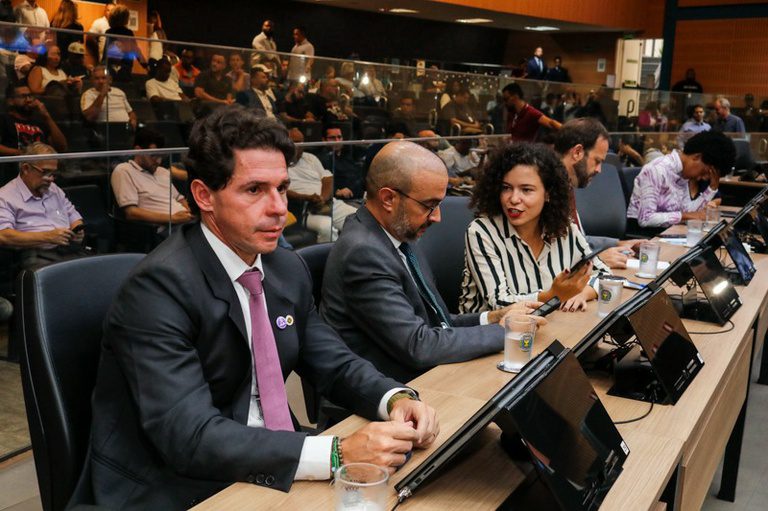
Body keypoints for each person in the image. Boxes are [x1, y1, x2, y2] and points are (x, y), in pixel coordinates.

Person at [82, 107, 439, 510]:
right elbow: (189, 436)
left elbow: (334, 362)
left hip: (268, 457)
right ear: (204, 196)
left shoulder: (284, 267)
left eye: (282, 188)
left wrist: (394, 399)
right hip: (175, 484)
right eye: (254, 190)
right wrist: (336, 452)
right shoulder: (157, 289)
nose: (279, 209)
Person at [320, 140, 544, 382]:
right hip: (393, 389)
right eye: (430, 205)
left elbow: (437, 321)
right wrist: (505, 332)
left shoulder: (398, 235)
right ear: (388, 198)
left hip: (424, 375)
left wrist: (494, 318)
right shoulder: (363, 253)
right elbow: (418, 345)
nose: (437, 217)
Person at [460, 142, 608, 315]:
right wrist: (553, 296)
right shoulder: (482, 231)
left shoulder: (564, 228)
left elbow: (605, 275)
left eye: (526, 190)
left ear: (548, 194)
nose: (513, 199)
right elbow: (498, 304)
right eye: (506, 188)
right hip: (493, 329)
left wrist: (583, 293)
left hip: (548, 323)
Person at [554, 118, 642, 268]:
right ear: (577, 152)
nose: (599, 170)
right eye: (597, 161)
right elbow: (545, 260)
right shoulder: (543, 192)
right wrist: (595, 262)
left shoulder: (565, 186)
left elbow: (577, 240)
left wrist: (618, 243)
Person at [627, 131, 736, 229]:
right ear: (697, 157)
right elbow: (646, 219)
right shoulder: (656, 170)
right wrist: (689, 216)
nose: (702, 178)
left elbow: (690, 211)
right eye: (704, 172)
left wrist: (712, 189)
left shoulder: (682, 173)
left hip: (668, 232)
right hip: (643, 235)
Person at [0, 142, 84, 267]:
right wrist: (47, 237)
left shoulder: (54, 189)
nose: (50, 179)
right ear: (26, 169)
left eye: (53, 174)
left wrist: (77, 230)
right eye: (45, 172)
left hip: (68, 249)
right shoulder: (5, 196)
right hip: (34, 254)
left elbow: (73, 216)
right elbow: (3, 236)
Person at [111, 127, 194, 228]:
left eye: (161, 156)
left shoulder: (162, 171)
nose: (158, 161)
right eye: (153, 156)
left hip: (184, 223)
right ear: (138, 151)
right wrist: (173, 218)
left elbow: (180, 199)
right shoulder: (124, 170)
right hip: (162, 228)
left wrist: (190, 214)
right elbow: (131, 213)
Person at [286, 128, 357, 242]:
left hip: (327, 203)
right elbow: (282, 190)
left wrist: (323, 198)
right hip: (305, 210)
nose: (299, 146)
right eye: (295, 142)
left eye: (301, 142)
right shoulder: (279, 162)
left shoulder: (310, 157)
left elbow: (327, 178)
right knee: (327, 227)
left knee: (358, 218)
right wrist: (308, 198)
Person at [0, 82, 67, 156]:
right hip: (16, 162)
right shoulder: (4, 120)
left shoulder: (39, 122)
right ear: (10, 101)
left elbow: (61, 147)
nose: (28, 100)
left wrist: (47, 116)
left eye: (30, 96)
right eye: (23, 96)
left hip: (42, 162)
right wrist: (23, 153)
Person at [103, 4, 147, 82]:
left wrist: (101, 65)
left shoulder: (109, 32)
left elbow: (105, 52)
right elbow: (136, 50)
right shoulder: (128, 33)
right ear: (124, 18)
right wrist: (146, 65)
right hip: (125, 67)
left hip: (110, 67)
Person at [318, 127, 363, 199]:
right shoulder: (321, 159)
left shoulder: (349, 155)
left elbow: (358, 176)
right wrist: (336, 191)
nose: (337, 141)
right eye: (332, 138)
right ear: (324, 140)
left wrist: (351, 189)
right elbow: (320, 181)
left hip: (357, 196)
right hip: (337, 199)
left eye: (339, 137)